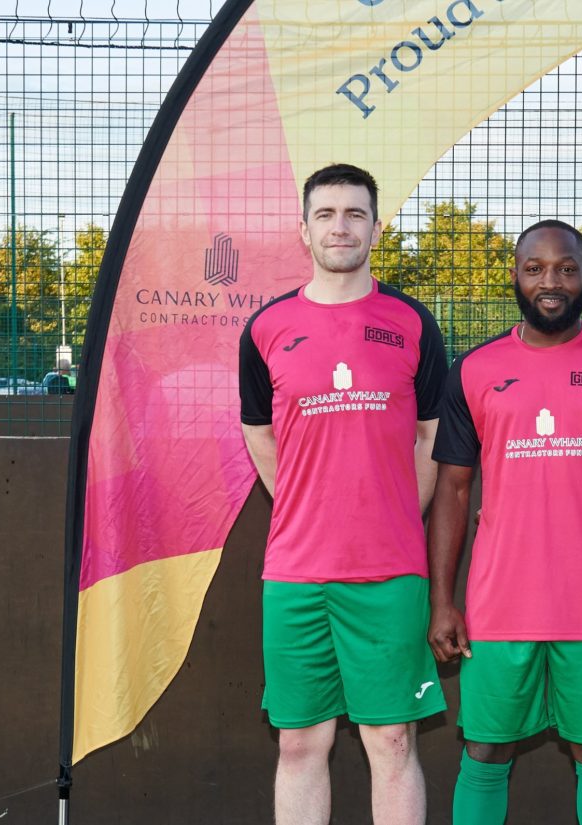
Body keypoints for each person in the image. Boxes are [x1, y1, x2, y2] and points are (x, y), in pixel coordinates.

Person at [427, 220, 582, 825]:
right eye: (536, 267)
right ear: (514, 275)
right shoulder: (474, 368)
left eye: (566, 267)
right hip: (498, 604)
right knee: (484, 750)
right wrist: (442, 599)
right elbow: (454, 489)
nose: (552, 281)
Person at [239, 163, 446, 825]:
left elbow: (429, 439)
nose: (341, 226)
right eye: (326, 214)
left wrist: (385, 517)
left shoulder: (412, 322)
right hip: (296, 572)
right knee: (301, 740)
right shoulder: (266, 328)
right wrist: (308, 504)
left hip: (389, 571)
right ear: (304, 230)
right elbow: (259, 433)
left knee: (391, 739)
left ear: (376, 229)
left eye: (355, 213)